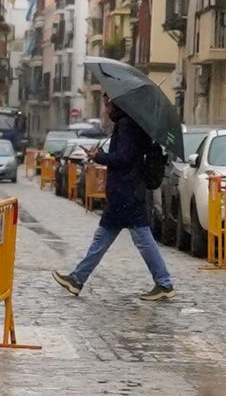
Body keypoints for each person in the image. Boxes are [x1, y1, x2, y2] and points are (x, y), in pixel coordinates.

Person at [53, 98, 175, 301]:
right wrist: (101, 155)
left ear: (117, 104)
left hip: (125, 193)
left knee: (137, 240)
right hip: (128, 192)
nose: (106, 108)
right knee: (115, 239)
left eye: (108, 104)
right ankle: (77, 279)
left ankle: (164, 283)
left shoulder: (127, 125)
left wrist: (99, 157)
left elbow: (123, 158)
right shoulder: (130, 123)